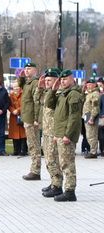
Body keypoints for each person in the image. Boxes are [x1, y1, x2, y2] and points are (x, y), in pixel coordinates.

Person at [45, 70, 84, 202]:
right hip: (60, 133)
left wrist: (68, 135)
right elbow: (49, 104)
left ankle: (70, 191)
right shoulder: (63, 93)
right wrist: (52, 90)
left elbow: (74, 118)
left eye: (65, 79)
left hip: (66, 134)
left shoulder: (73, 95)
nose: (62, 81)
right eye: (61, 79)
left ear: (72, 79)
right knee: (63, 163)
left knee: (67, 164)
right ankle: (65, 189)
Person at [39, 69, 64, 197]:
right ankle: (53, 181)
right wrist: (40, 87)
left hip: (54, 132)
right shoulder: (48, 92)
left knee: (53, 159)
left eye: (50, 80)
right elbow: (36, 100)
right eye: (46, 80)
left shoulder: (58, 94)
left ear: (56, 81)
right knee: (48, 159)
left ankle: (57, 185)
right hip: (47, 131)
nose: (47, 82)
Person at [19, 63, 42, 179]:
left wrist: (36, 118)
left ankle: (36, 171)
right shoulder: (27, 83)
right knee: (31, 144)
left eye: (29, 69)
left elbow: (37, 102)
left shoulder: (35, 83)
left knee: (34, 145)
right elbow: (20, 84)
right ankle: (34, 169)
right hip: (27, 117)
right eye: (25, 69)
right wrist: (21, 76)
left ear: (35, 70)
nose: (26, 71)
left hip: (32, 119)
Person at [82, 78, 100, 159]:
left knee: (92, 134)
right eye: (87, 84)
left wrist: (92, 118)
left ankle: (93, 152)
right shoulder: (90, 93)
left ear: (94, 85)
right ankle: (92, 150)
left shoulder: (95, 94)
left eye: (90, 84)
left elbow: (95, 107)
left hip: (90, 116)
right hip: (87, 115)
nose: (88, 85)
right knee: (89, 134)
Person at [8, 85, 27, 156]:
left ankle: (23, 150)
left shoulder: (24, 95)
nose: (16, 88)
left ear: (20, 88)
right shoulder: (11, 95)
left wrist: (18, 110)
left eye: (17, 87)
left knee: (23, 134)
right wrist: (12, 110)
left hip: (22, 115)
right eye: (14, 87)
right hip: (13, 116)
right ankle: (16, 150)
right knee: (14, 133)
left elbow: (25, 104)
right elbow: (8, 105)